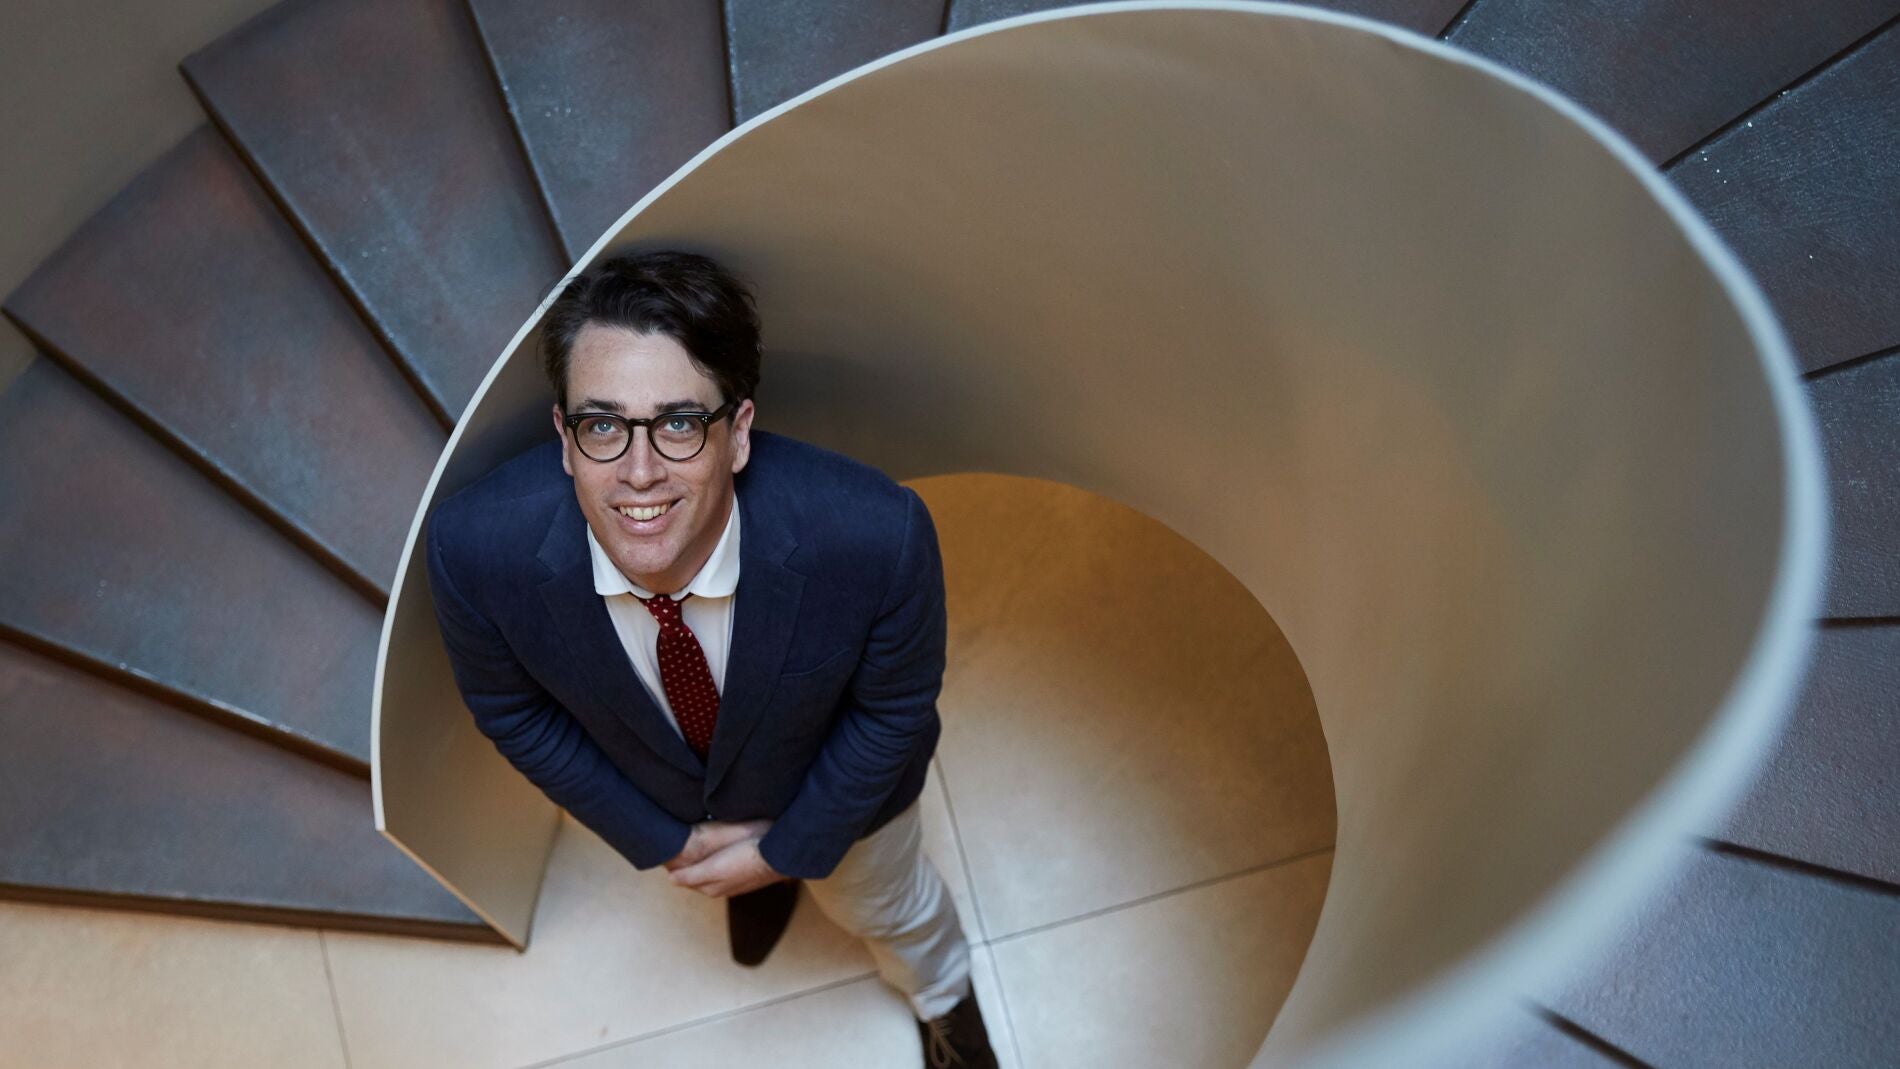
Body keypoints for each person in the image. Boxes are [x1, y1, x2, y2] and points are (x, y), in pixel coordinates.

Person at [424, 250, 998, 1068]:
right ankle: (766, 890)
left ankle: (943, 994)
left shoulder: (876, 537)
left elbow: (893, 711)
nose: (639, 473)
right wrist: (666, 838)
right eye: (603, 425)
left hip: (843, 803)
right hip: (678, 802)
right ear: (564, 437)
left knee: (892, 910)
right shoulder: (475, 552)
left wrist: (783, 852)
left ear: (738, 434)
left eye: (680, 424)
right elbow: (512, 713)